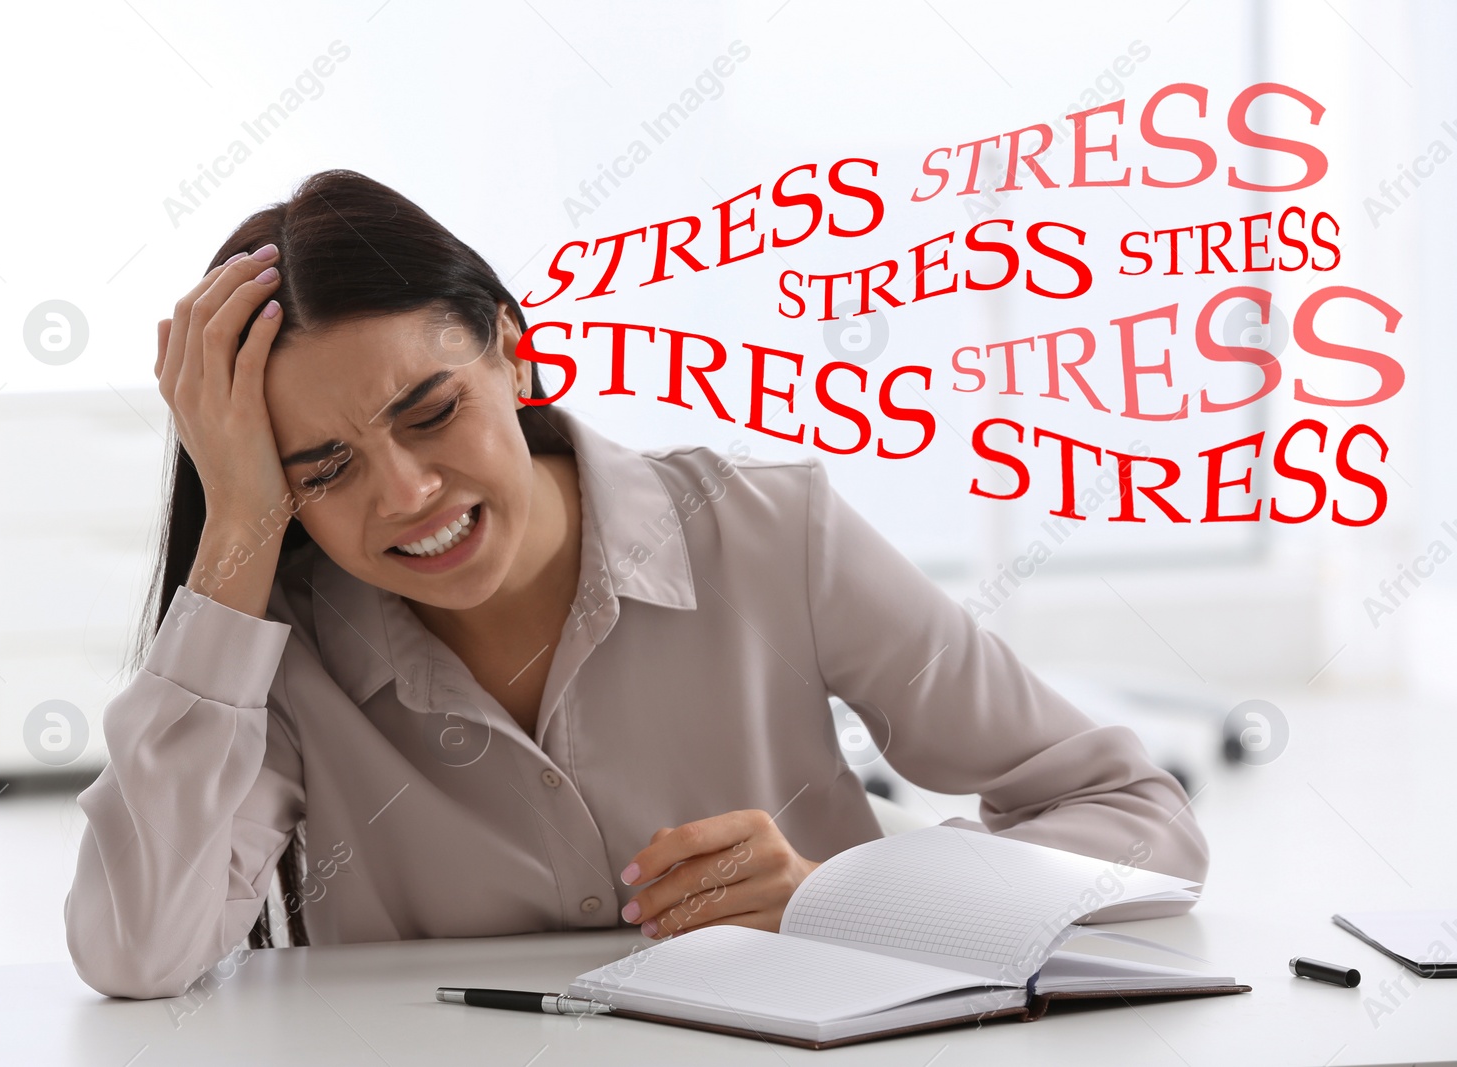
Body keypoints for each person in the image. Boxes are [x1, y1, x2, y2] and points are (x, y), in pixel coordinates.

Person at [64, 168, 1209, 1000]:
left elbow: (1138, 825)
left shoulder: (771, 531)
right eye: (323, 467)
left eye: (432, 412)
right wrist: (232, 541)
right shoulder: (275, 652)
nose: (407, 492)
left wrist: (844, 894)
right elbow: (135, 950)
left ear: (512, 350)